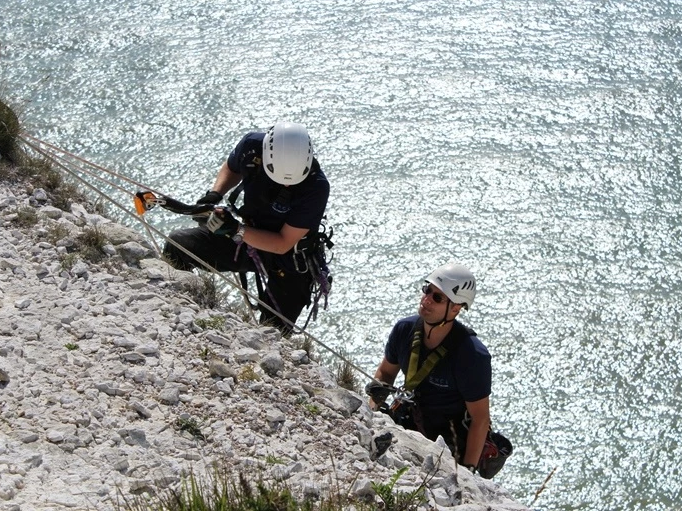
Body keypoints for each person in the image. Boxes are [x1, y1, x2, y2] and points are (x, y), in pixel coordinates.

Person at [163, 122, 330, 335]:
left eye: (293, 182)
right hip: (246, 235)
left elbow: (282, 243)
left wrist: (235, 230)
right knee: (179, 245)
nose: (287, 186)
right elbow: (232, 167)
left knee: (273, 334)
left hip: (291, 259)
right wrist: (215, 194)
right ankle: (178, 314)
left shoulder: (316, 187)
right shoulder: (252, 147)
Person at [367, 263, 493, 471]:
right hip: (408, 423)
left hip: (448, 443)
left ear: (456, 308)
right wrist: (371, 410)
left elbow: (480, 419)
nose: (426, 300)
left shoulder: (471, 355)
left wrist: (468, 470)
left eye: (437, 297)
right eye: (427, 290)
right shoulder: (404, 330)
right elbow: (386, 372)